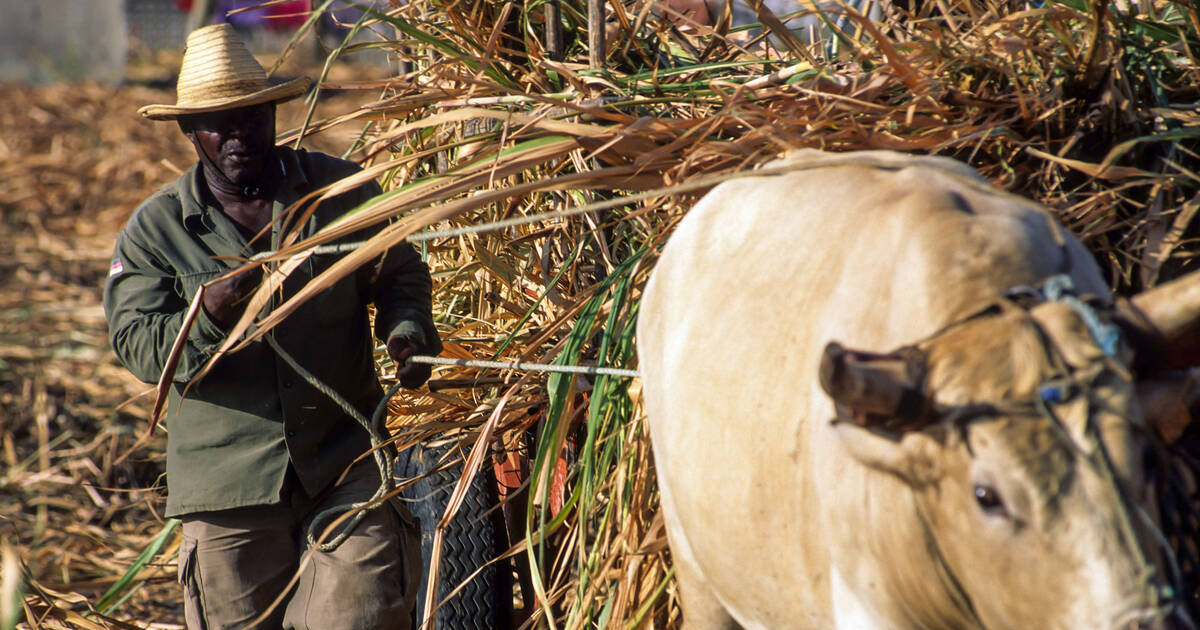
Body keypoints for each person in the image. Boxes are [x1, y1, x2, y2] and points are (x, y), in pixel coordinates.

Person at [103, 24, 440, 630]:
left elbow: (399, 273)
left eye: (251, 117)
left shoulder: (339, 192)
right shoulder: (156, 231)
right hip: (228, 490)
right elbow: (138, 347)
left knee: (358, 615)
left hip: (345, 465)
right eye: (218, 123)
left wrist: (407, 330)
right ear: (188, 130)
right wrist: (208, 314)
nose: (238, 135)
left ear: (273, 113)